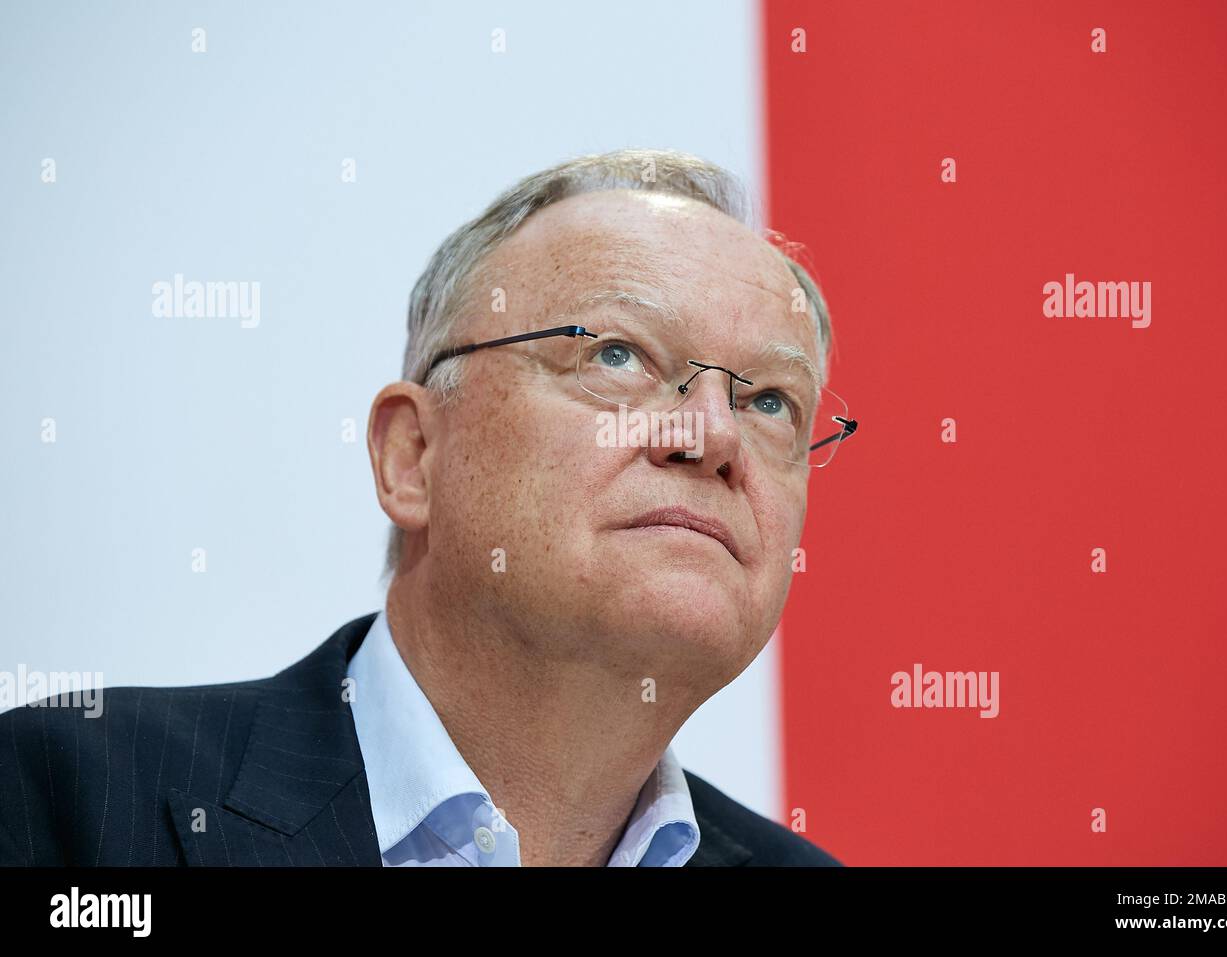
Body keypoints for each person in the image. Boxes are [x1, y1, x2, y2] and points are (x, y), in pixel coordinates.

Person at [0, 148, 854, 866]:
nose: (709, 434)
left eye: (771, 401)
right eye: (620, 353)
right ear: (412, 454)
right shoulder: (64, 801)